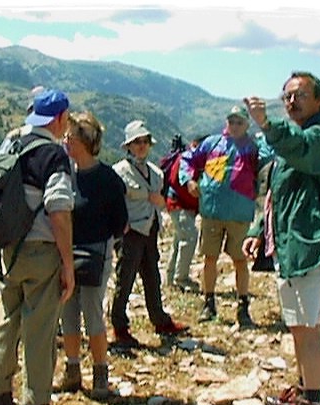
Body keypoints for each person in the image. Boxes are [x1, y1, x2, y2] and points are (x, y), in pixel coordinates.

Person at [243, 72, 320, 405]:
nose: (291, 101)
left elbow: (301, 150)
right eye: (286, 95)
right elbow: (278, 194)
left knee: (308, 327)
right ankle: (303, 391)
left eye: (299, 95)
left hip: (309, 246)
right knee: (298, 326)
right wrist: (258, 230)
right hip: (290, 246)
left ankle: (312, 404)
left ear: (319, 100)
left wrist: (267, 124)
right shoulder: (294, 141)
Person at [0, 89, 75, 405]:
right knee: (39, 329)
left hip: (8, 247)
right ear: (60, 118)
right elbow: (59, 210)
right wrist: (67, 263)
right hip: (41, 250)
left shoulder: (12, 143)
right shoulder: (54, 154)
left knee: (7, 319)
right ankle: (36, 404)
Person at [180, 106, 273, 327]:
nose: (235, 126)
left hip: (239, 213)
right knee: (209, 258)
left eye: (240, 122)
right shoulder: (212, 143)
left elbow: (270, 153)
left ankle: (242, 306)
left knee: (240, 260)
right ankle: (209, 303)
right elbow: (188, 159)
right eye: (232, 121)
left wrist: (265, 129)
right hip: (212, 211)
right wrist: (189, 180)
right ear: (226, 122)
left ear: (247, 124)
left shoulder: (253, 147)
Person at [58, 111, 127, 400]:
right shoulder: (64, 174)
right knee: (68, 313)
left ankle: (100, 373)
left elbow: (121, 223)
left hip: (96, 254)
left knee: (92, 313)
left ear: (84, 142)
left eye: (70, 138)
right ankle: (72, 370)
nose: (65, 142)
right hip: (67, 253)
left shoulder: (108, 179)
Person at [110, 120, 188, 347]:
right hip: (130, 231)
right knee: (125, 279)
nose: (142, 146)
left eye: (145, 141)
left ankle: (160, 319)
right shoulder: (118, 172)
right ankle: (119, 326)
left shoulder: (155, 172)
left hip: (151, 229)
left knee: (152, 276)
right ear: (128, 146)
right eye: (137, 142)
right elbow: (113, 202)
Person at [163, 134, 208, 292]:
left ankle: (171, 279)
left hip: (177, 204)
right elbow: (181, 184)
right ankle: (181, 279)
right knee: (189, 237)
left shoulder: (190, 159)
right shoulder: (187, 160)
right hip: (180, 204)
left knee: (179, 240)